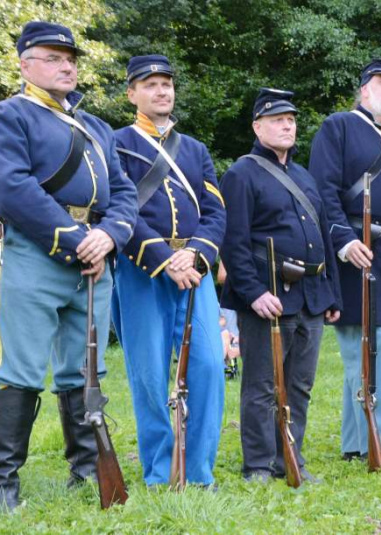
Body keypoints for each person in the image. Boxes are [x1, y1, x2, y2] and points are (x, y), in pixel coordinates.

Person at [0, 21, 138, 511]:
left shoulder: (96, 126)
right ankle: (4, 482)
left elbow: (123, 193)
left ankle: (85, 471)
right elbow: (12, 186)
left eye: (71, 58)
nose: (66, 65)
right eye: (54, 57)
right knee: (20, 368)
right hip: (38, 253)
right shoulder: (11, 115)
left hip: (94, 258)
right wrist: (76, 240)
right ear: (25, 64)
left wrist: (107, 235)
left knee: (87, 371)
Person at [112, 55, 226, 487]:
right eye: (150, 84)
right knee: (148, 373)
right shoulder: (116, 143)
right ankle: (161, 471)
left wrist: (195, 254)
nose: (162, 91)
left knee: (210, 368)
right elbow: (117, 207)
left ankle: (197, 471)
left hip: (194, 272)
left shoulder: (194, 149)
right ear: (132, 93)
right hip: (143, 271)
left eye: (167, 84)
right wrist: (162, 258)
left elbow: (215, 211)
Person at [220, 88, 341, 483]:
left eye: (290, 119)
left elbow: (323, 237)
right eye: (277, 119)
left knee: (299, 386)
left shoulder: (304, 176)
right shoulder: (241, 173)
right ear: (258, 127)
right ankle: (258, 464)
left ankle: (290, 458)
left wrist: (332, 293)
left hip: (310, 296)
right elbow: (233, 242)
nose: (287, 125)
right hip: (269, 297)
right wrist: (254, 293)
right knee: (261, 387)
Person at [309, 59, 381, 462]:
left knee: (380, 345)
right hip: (354, 252)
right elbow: (322, 190)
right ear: (364, 90)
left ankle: (357, 442)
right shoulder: (337, 127)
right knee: (367, 348)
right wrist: (342, 240)